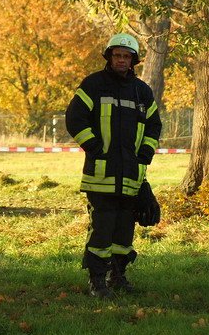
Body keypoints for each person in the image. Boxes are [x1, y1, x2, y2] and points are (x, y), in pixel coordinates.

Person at [65, 33, 162, 298]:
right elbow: (75, 118)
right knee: (102, 229)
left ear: (133, 61)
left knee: (124, 231)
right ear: (110, 57)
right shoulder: (93, 85)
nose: (122, 60)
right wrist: (94, 147)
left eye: (126, 56)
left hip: (132, 176)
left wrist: (145, 154)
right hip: (101, 175)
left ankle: (118, 275)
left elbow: (154, 125)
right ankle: (97, 280)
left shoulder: (142, 91)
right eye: (117, 55)